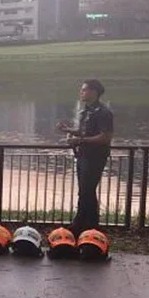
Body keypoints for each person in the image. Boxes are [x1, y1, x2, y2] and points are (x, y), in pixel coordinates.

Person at [56, 79, 113, 235]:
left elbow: (105, 137)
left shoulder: (104, 113)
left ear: (94, 92)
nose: (81, 92)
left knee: (86, 190)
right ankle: (90, 224)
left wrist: (79, 140)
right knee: (85, 190)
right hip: (83, 155)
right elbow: (84, 132)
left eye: (84, 90)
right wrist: (67, 130)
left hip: (95, 157)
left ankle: (81, 223)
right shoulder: (86, 111)